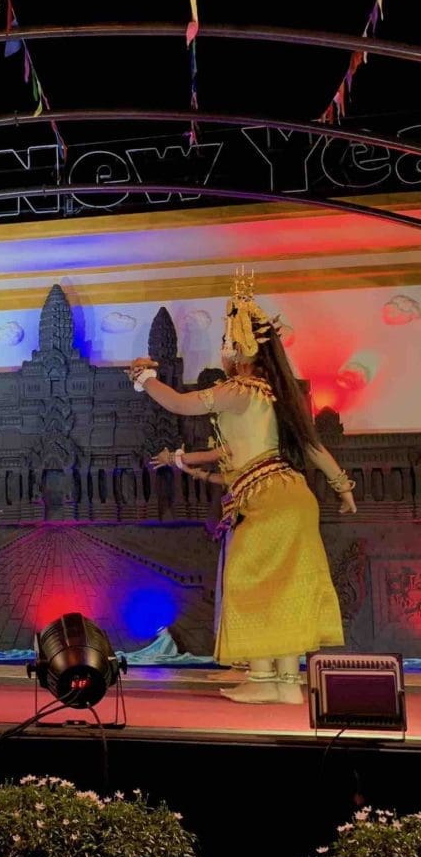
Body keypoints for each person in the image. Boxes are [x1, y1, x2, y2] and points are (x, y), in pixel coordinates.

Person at [130, 269, 355, 704]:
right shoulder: (276, 394)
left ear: (242, 347)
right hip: (291, 494)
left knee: (249, 582)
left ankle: (260, 676)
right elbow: (312, 448)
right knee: (287, 586)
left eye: (226, 341)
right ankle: (287, 684)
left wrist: (143, 378)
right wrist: (342, 487)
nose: (224, 350)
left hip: (267, 499)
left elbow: (180, 403)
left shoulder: (240, 390)